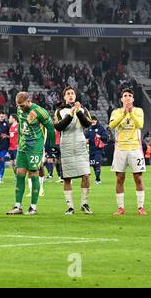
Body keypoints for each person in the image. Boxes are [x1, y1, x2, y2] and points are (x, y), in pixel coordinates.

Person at [6, 92, 56, 215]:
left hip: (35, 147)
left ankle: (33, 208)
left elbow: (50, 128)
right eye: (18, 105)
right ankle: (18, 206)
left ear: (29, 101)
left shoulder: (40, 112)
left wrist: (52, 146)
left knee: (34, 173)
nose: (20, 108)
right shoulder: (19, 109)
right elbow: (21, 127)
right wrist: (18, 143)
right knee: (20, 173)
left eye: (22, 105)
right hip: (22, 147)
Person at [54, 86, 93, 215]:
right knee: (67, 178)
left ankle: (84, 204)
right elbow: (59, 127)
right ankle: (70, 207)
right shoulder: (59, 111)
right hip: (67, 146)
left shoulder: (83, 109)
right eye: (68, 94)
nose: (71, 95)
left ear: (75, 96)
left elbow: (88, 124)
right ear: (64, 97)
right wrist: (70, 114)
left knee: (86, 175)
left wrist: (78, 112)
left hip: (81, 145)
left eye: (72, 93)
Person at [109, 88, 146, 215]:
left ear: (133, 99)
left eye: (130, 95)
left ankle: (140, 207)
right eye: (125, 95)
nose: (127, 97)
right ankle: (121, 208)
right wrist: (124, 114)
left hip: (135, 148)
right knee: (119, 178)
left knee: (138, 178)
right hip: (120, 149)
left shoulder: (139, 111)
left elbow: (140, 124)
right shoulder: (116, 112)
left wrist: (131, 113)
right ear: (121, 99)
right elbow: (112, 126)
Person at [86, 116, 108, 184]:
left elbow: (106, 137)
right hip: (91, 150)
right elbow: (86, 137)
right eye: (91, 120)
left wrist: (100, 136)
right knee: (94, 165)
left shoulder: (100, 128)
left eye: (94, 120)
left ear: (96, 121)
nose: (93, 121)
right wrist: (86, 140)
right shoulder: (89, 129)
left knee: (97, 164)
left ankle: (98, 179)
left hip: (98, 150)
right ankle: (97, 177)